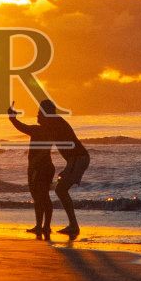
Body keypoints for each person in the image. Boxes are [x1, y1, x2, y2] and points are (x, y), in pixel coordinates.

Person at [40, 99, 89, 238]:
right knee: (61, 189)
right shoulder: (54, 121)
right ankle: (73, 224)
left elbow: (41, 136)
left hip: (78, 158)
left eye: (40, 112)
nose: (38, 114)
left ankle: (74, 225)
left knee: (60, 189)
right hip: (75, 160)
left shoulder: (53, 122)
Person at [7, 104, 55, 236]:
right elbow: (23, 127)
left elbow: (22, 127)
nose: (37, 115)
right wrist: (13, 119)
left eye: (40, 114)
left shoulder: (39, 130)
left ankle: (42, 226)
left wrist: (12, 118)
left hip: (40, 169)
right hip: (46, 168)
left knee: (40, 197)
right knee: (43, 197)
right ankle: (44, 226)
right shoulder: (47, 130)